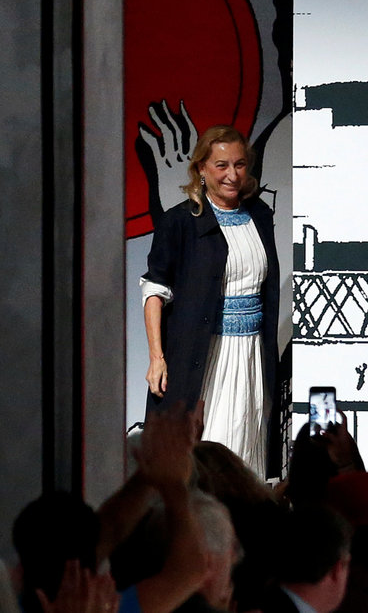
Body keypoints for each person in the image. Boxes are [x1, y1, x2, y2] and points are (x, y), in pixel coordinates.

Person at [141, 126, 279, 477]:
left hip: (250, 353)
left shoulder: (259, 215)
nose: (232, 175)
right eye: (221, 165)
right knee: (211, 447)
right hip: (205, 358)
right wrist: (157, 358)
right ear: (201, 168)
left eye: (240, 164)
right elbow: (155, 290)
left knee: (247, 442)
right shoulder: (181, 221)